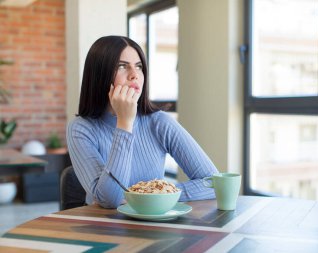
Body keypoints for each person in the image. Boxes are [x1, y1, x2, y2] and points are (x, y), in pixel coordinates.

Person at [66, 35, 219, 208]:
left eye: (139, 67)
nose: (134, 75)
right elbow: (109, 200)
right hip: (104, 228)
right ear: (99, 74)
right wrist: (124, 123)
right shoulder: (81, 129)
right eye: (122, 66)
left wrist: (154, 194)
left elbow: (214, 183)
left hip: (153, 226)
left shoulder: (160, 122)